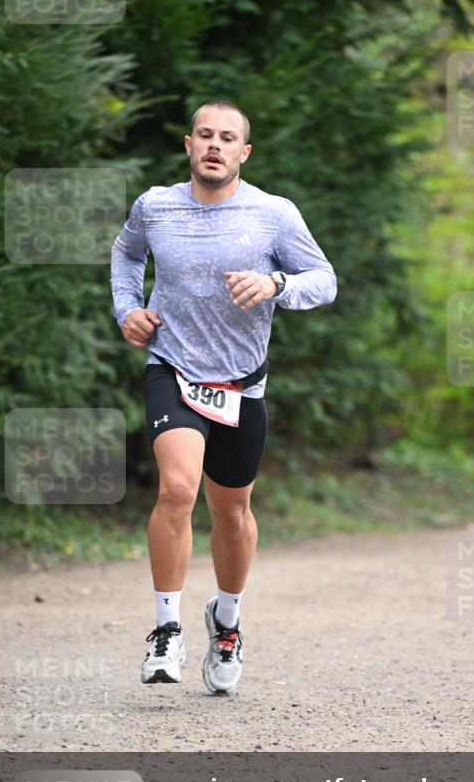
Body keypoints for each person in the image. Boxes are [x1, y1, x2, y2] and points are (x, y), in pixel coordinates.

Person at [110, 100, 337, 693]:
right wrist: (127, 308)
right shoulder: (155, 206)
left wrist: (275, 282)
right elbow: (126, 253)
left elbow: (325, 281)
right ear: (189, 145)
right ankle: (166, 630)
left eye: (227, 137)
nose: (215, 145)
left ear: (244, 152)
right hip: (173, 366)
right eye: (205, 135)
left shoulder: (273, 214)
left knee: (232, 513)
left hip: (241, 382)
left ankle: (227, 622)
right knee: (177, 489)